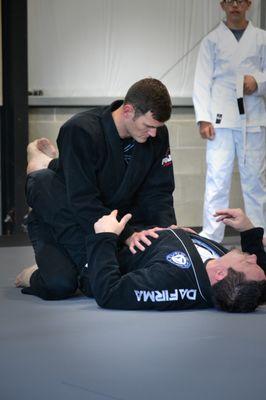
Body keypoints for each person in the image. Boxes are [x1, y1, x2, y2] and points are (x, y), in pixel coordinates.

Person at [19, 78, 177, 299]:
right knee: (61, 284)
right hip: (62, 209)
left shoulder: (157, 134)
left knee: (131, 265)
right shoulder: (80, 130)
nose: (153, 134)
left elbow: (158, 191)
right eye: (148, 126)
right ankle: (38, 164)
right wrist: (128, 235)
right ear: (128, 111)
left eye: (157, 128)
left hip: (107, 210)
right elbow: (83, 201)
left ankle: (52, 163)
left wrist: (168, 232)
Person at [193, 0, 266, 245]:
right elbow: (201, 82)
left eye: (240, 1)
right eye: (230, 1)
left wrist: (257, 82)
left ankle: (259, 237)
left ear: (248, 4)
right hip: (220, 122)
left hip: (253, 120)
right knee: (217, 181)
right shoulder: (212, 41)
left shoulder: (261, 38)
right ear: (223, 5)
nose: (235, 6)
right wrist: (203, 119)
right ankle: (211, 239)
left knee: (255, 182)